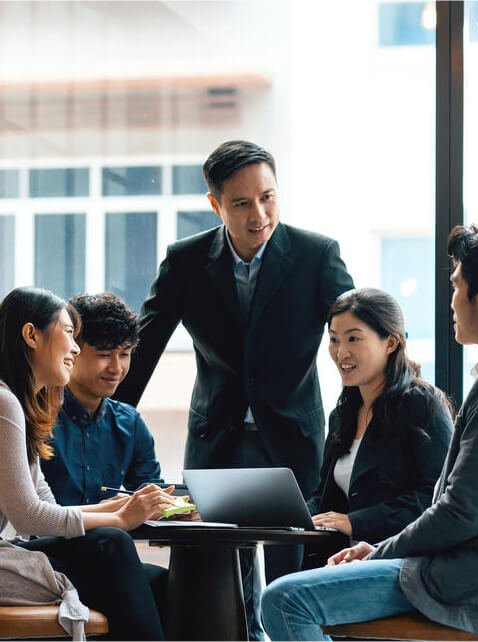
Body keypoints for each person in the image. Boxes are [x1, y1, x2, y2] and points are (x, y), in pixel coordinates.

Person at [261, 222, 478, 641]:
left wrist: (377, 550)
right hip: (474, 571)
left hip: (465, 580)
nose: (451, 301)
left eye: (456, 287)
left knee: (281, 600)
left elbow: (458, 513)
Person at [113, 140, 354, 638]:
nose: (258, 214)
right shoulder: (186, 260)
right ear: (215, 204)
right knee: (218, 581)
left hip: (292, 437)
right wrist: (102, 423)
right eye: (242, 203)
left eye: (268, 197)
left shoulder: (316, 255)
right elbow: (144, 348)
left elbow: (358, 337)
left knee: (295, 578)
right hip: (217, 437)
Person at [0, 286, 178, 641]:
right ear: (31, 335)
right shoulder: (5, 403)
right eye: (69, 333)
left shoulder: (22, 405)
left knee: (154, 579)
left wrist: (114, 507)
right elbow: (28, 517)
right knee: (111, 545)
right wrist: (118, 517)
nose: (76, 348)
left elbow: (45, 507)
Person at [303, 288, 452, 569]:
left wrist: (354, 522)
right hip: (346, 562)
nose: (340, 352)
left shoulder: (421, 404)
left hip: (403, 562)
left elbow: (438, 497)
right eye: (333, 339)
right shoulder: (343, 413)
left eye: (353, 339)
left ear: (391, 343)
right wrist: (287, 514)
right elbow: (325, 500)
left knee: (280, 596)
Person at [41, 292, 163, 506]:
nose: (117, 368)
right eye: (104, 355)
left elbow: (153, 494)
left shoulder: (130, 423)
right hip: (45, 536)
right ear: (71, 351)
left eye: (125, 354)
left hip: (108, 537)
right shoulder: (36, 414)